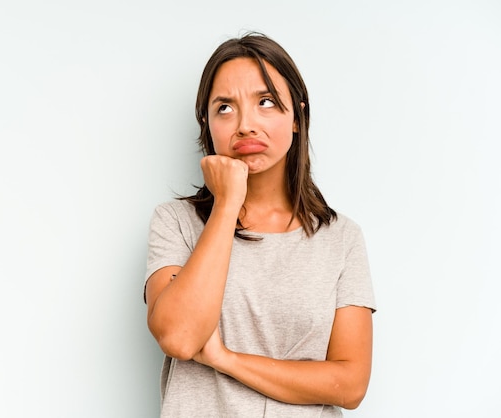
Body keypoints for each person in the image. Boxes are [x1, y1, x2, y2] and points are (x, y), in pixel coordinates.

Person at [144, 32, 376, 417]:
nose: (245, 125)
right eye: (224, 108)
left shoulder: (341, 239)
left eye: (265, 102)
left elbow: (350, 385)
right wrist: (227, 203)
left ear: (297, 116)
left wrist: (225, 359)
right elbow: (180, 337)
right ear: (206, 124)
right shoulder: (175, 223)